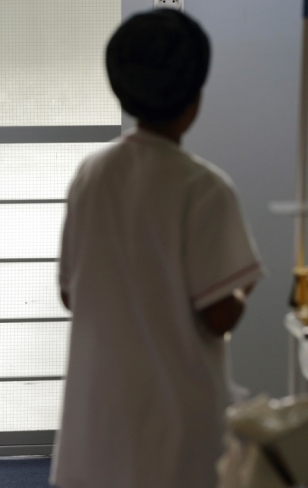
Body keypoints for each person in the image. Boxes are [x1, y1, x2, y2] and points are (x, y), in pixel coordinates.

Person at [50, 10, 263, 488]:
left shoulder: (91, 176)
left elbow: (69, 294)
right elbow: (219, 316)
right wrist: (243, 288)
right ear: (195, 99)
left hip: (98, 413)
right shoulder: (204, 186)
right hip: (175, 417)